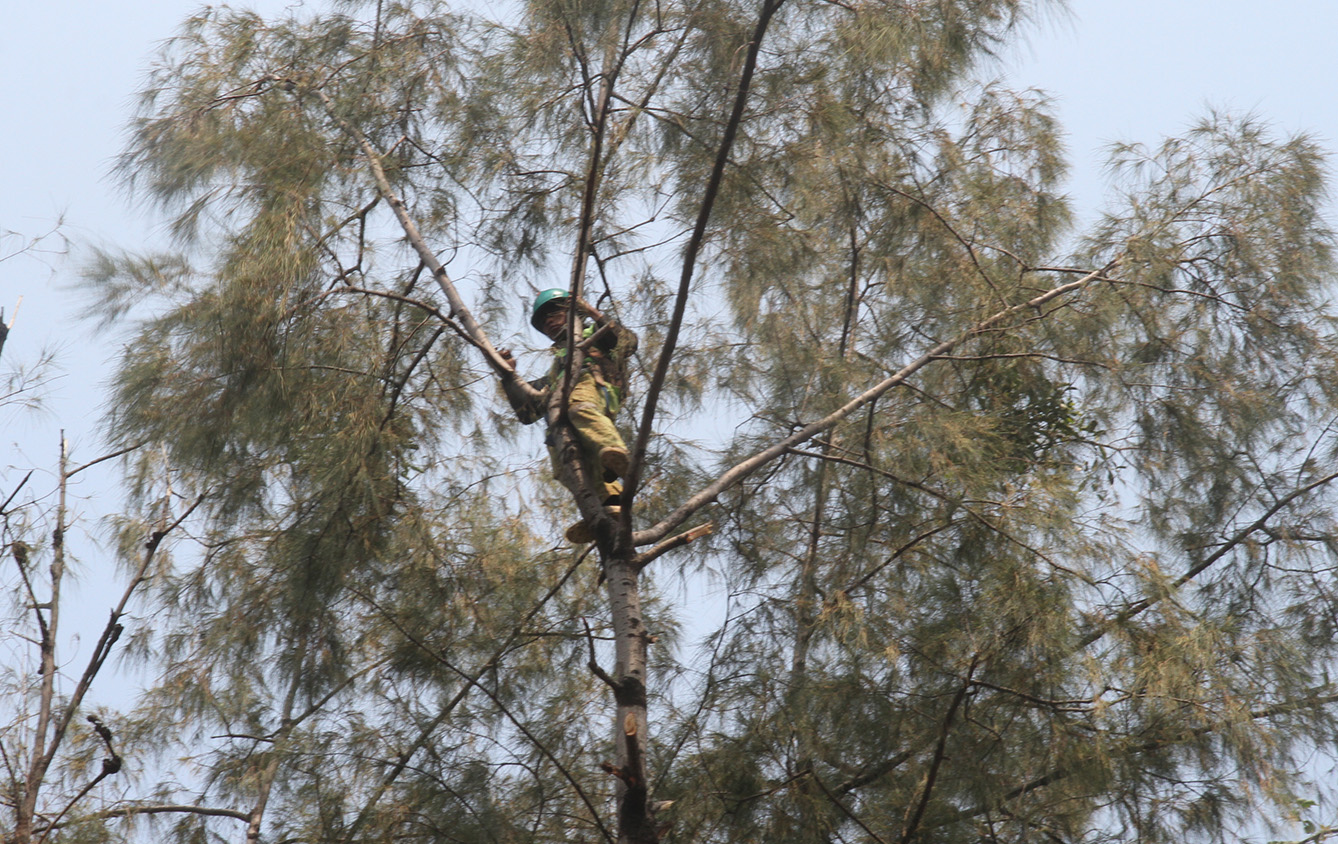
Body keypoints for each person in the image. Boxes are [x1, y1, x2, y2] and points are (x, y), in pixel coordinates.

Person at [499, 289, 637, 543]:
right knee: (567, 462)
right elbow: (528, 412)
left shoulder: (594, 338)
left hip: (593, 389)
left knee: (578, 407)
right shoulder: (557, 368)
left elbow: (627, 343)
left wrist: (591, 312)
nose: (548, 322)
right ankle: (607, 506)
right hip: (567, 412)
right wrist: (509, 375)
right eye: (543, 322)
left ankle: (615, 451)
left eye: (554, 314)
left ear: (573, 313)